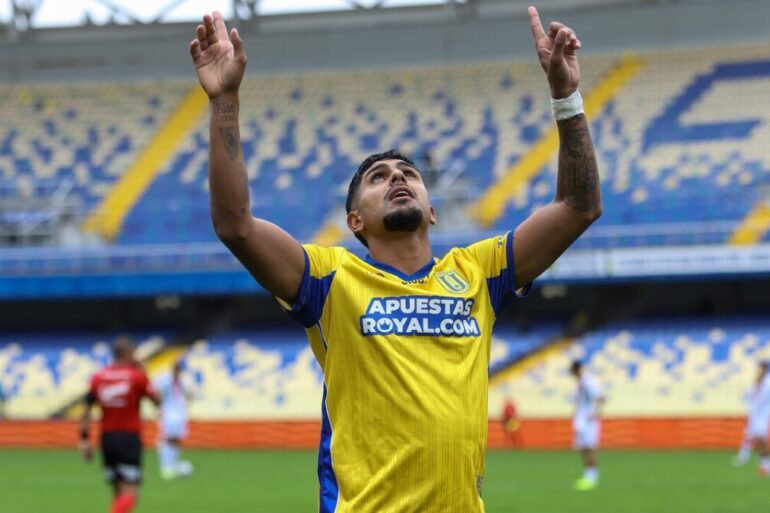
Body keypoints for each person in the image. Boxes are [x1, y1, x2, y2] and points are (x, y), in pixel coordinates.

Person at [190, 6, 601, 511]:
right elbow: (235, 224)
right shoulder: (329, 280)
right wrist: (225, 101)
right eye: (378, 177)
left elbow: (579, 207)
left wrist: (565, 97)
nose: (398, 177)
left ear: (431, 210)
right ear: (355, 221)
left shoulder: (479, 272)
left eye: (407, 172)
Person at [80, 337, 161, 513]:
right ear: (130, 353)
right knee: (131, 493)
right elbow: (158, 401)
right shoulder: (136, 377)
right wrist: (144, 371)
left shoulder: (99, 377)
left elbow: (86, 410)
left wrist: (84, 440)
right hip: (128, 439)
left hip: (107, 439)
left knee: (117, 492)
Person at [155, 359, 194, 480]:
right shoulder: (164, 380)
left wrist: (186, 401)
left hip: (179, 414)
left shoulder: (183, 382)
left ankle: (172, 464)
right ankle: (165, 467)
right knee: (167, 438)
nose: (178, 371)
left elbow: (189, 395)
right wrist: (159, 409)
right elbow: (157, 393)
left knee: (176, 439)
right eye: (177, 368)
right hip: (168, 413)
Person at [570, 360, 605, 491]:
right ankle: (587, 475)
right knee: (583, 448)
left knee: (590, 447)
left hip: (589, 421)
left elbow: (601, 396)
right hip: (581, 421)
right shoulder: (580, 383)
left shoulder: (588, 381)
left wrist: (596, 413)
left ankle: (592, 478)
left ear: (576, 369)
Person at [733, 361, 770, 475]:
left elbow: (763, 398)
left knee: (761, 439)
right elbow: (749, 394)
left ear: (765, 369)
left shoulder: (768, 382)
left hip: (763, 414)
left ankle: (765, 464)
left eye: (761, 368)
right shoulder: (757, 381)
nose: (759, 370)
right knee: (749, 435)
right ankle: (745, 457)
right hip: (755, 413)